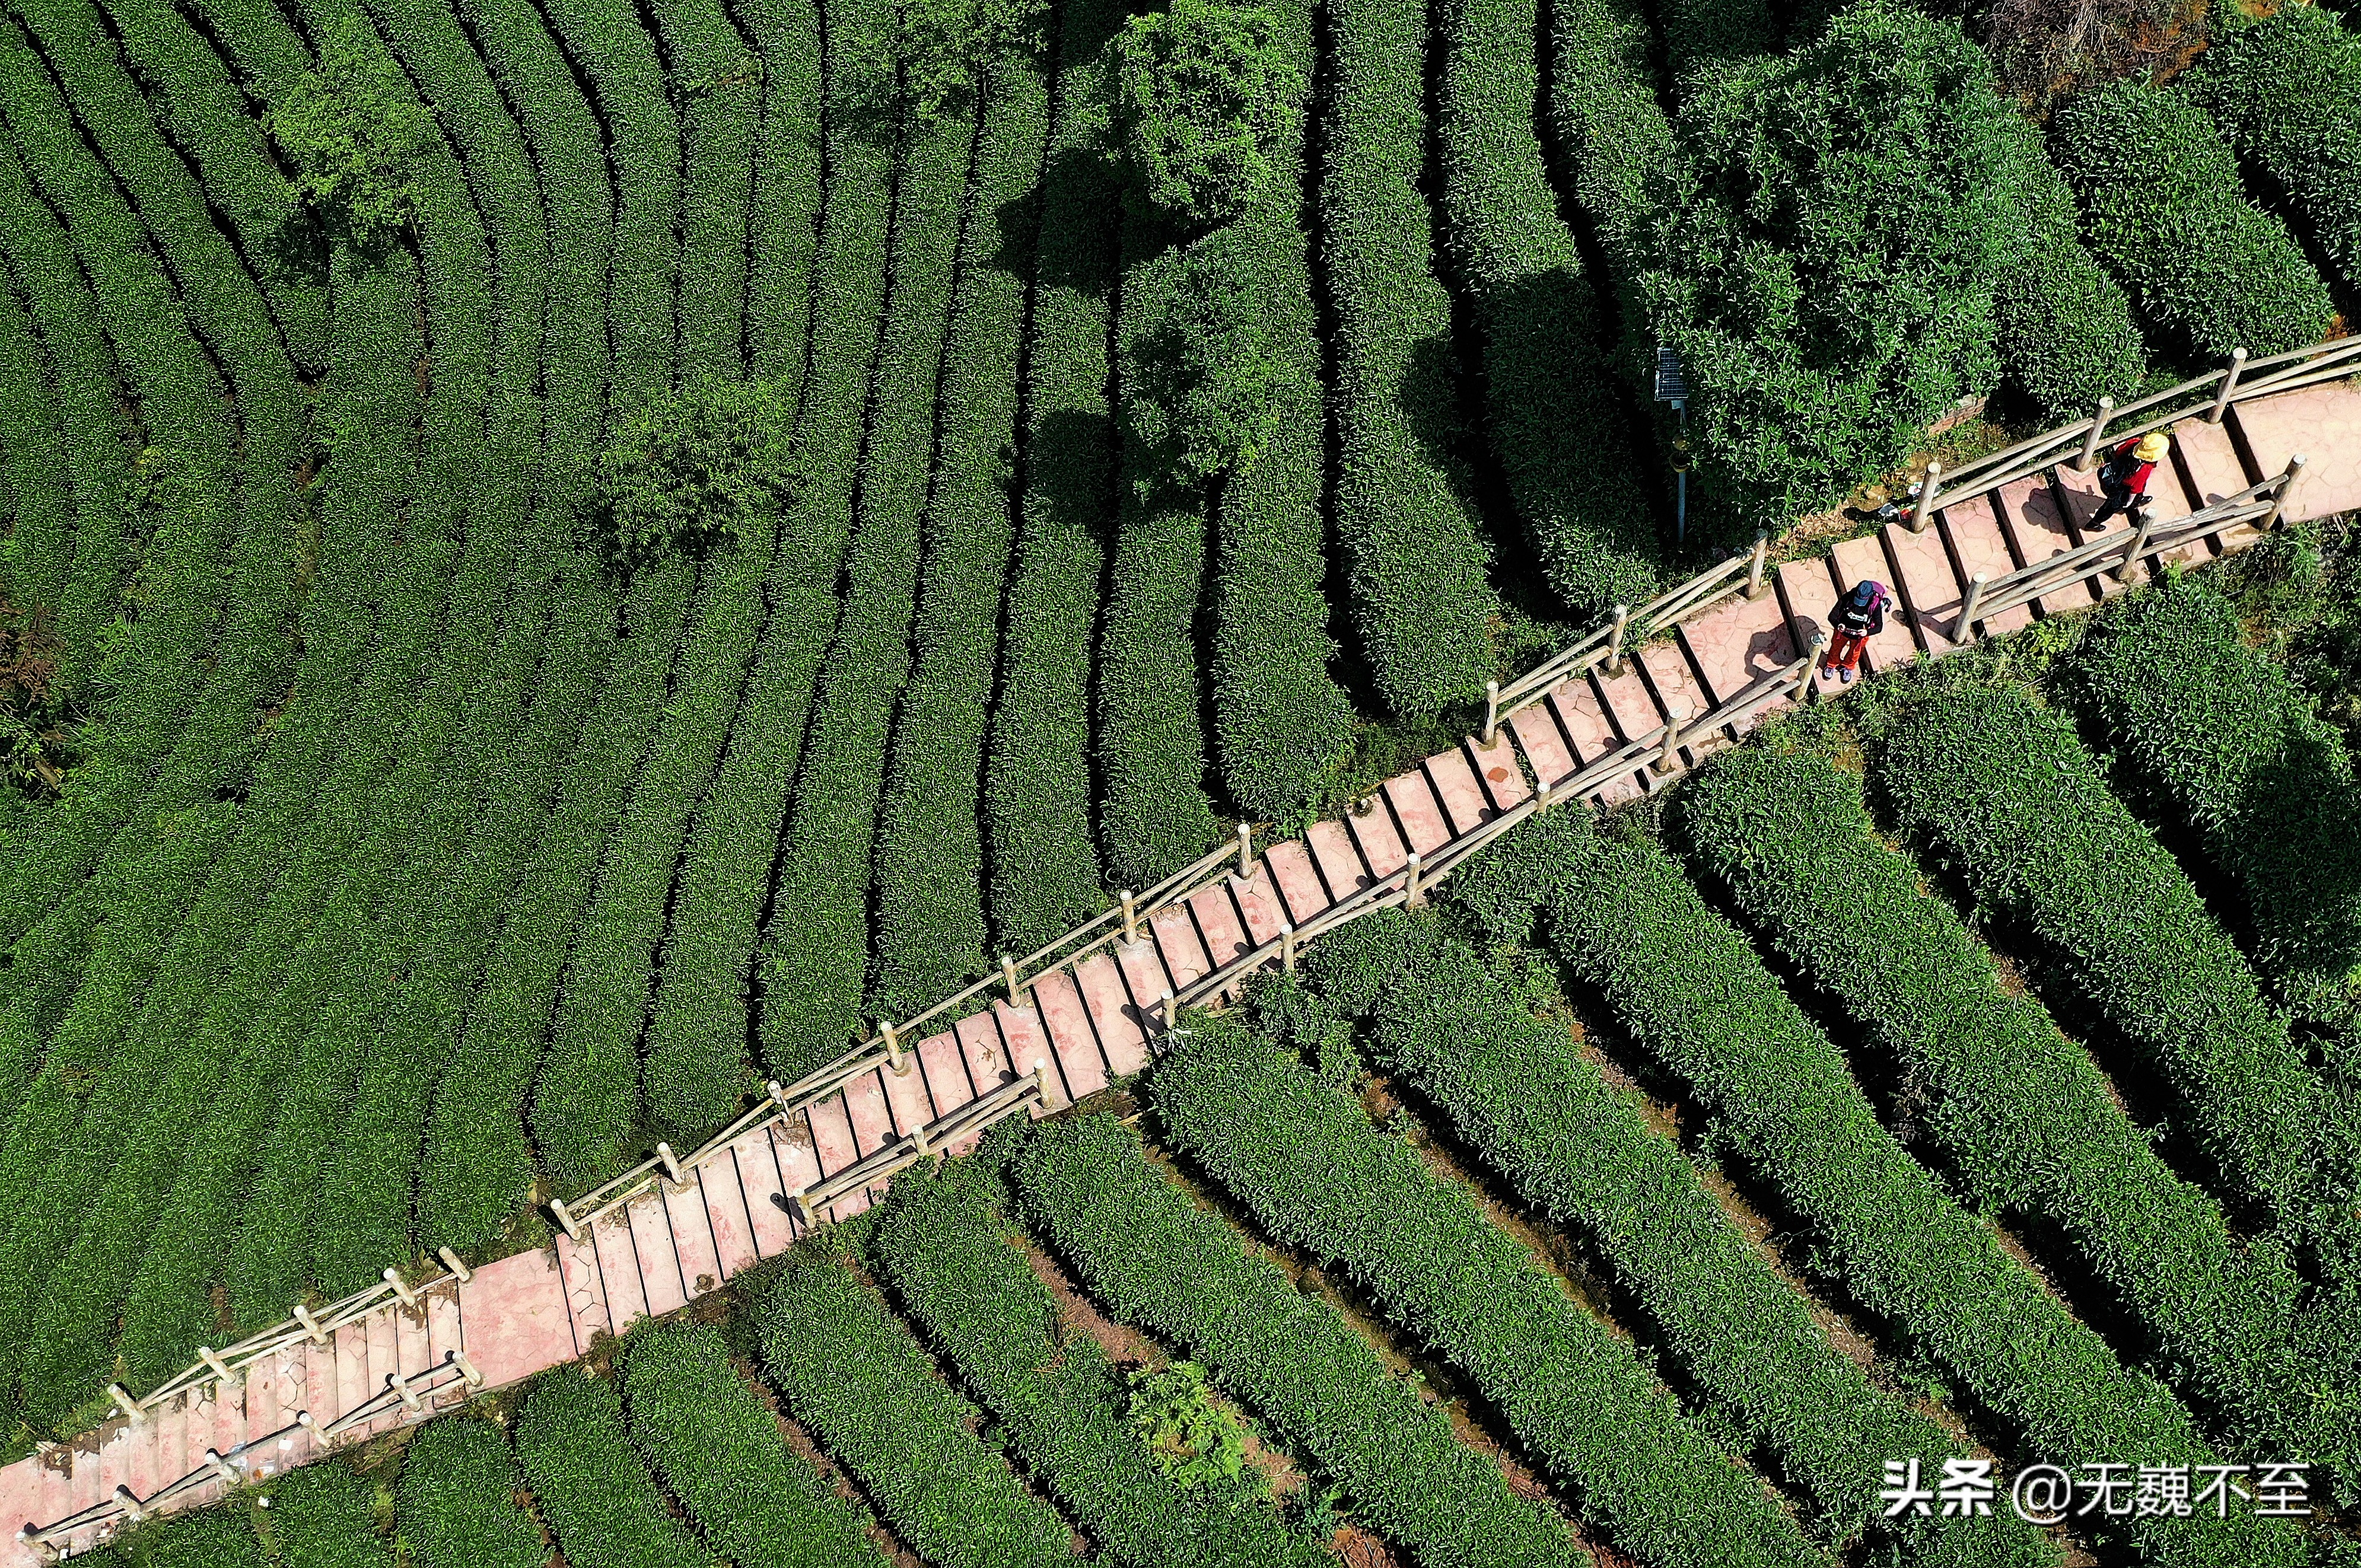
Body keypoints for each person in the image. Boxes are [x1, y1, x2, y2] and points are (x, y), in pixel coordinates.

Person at [2087, 430, 2169, 529]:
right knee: (2111, 507)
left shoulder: (2133, 443)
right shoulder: (2144, 469)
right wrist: (2128, 503)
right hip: (2120, 488)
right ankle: (2094, 523)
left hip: (2114, 477)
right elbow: (2135, 489)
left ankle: (2138, 500)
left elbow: (2118, 452)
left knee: (2139, 490)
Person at [1821, 579, 1892, 684]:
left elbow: (1879, 627)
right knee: (1835, 648)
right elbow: (1832, 616)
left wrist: (1866, 632)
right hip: (1843, 631)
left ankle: (1848, 667)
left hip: (1860, 636)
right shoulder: (1847, 597)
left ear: (1870, 597)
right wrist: (1838, 625)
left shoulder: (1875, 605)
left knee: (1855, 653)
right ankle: (1831, 665)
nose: (1859, 604)